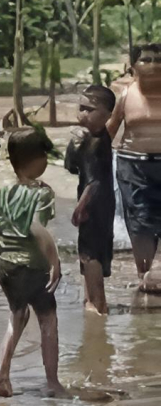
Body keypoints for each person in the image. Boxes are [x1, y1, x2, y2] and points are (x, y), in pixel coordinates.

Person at [0, 128, 65, 399]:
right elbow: (36, 227)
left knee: (17, 315)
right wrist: (54, 260)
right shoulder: (42, 194)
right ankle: (52, 381)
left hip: (5, 265)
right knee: (48, 319)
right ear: (37, 159)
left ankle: (1, 371)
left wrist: (0, 252)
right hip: (32, 266)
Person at [108, 44, 161, 288]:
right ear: (133, 68)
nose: (153, 65)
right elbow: (108, 131)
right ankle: (144, 275)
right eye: (146, 60)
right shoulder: (125, 95)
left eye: (158, 60)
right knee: (140, 221)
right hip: (133, 167)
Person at [64, 86, 117, 315]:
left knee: (90, 252)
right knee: (88, 249)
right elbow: (72, 167)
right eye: (81, 108)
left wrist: (81, 206)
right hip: (97, 198)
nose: (83, 114)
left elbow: (94, 181)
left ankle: (97, 302)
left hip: (95, 201)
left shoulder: (98, 142)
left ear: (107, 114)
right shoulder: (92, 137)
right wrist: (73, 145)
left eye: (90, 110)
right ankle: (91, 300)